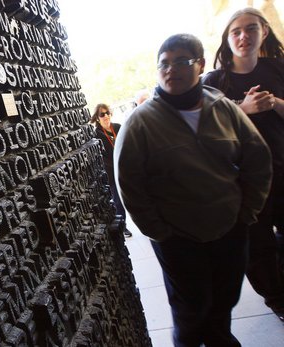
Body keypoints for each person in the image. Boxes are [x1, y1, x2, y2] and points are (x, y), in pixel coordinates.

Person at [114, 33, 272, 346]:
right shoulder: (140, 123)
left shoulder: (224, 108)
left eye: (181, 61)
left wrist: (246, 212)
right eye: (164, 63)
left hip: (230, 228)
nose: (171, 69)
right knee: (191, 309)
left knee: (224, 299)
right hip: (178, 238)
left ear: (199, 64)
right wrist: (160, 232)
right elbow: (130, 185)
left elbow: (258, 159)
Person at [202, 7, 284, 322]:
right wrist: (244, 108)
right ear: (227, 38)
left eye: (251, 29)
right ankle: (277, 299)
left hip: (281, 167)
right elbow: (203, 127)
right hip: (242, 180)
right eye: (236, 31)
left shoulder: (277, 68)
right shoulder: (214, 80)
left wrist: (274, 102)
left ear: (264, 32)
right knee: (258, 247)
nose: (243, 36)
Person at [91, 104, 132, 238]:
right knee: (118, 202)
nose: (106, 116)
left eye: (107, 113)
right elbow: (102, 157)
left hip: (126, 169)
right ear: (97, 118)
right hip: (112, 173)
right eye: (102, 114)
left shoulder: (118, 127)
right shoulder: (96, 134)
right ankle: (123, 227)